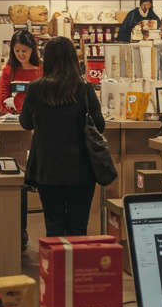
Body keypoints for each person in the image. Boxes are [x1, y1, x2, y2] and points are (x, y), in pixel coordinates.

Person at [20, 36, 105, 237]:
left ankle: (57, 266)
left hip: (47, 168)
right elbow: (99, 125)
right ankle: (78, 267)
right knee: (78, 226)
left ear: (46, 60)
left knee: (53, 224)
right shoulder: (85, 89)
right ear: (73, 59)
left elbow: (25, 123)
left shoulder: (35, 88)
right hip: (82, 168)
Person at [0, 29, 42, 115]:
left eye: (24, 51)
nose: (20, 54)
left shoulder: (42, 70)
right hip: (14, 120)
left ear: (32, 50)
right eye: (17, 51)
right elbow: (2, 100)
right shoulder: (8, 71)